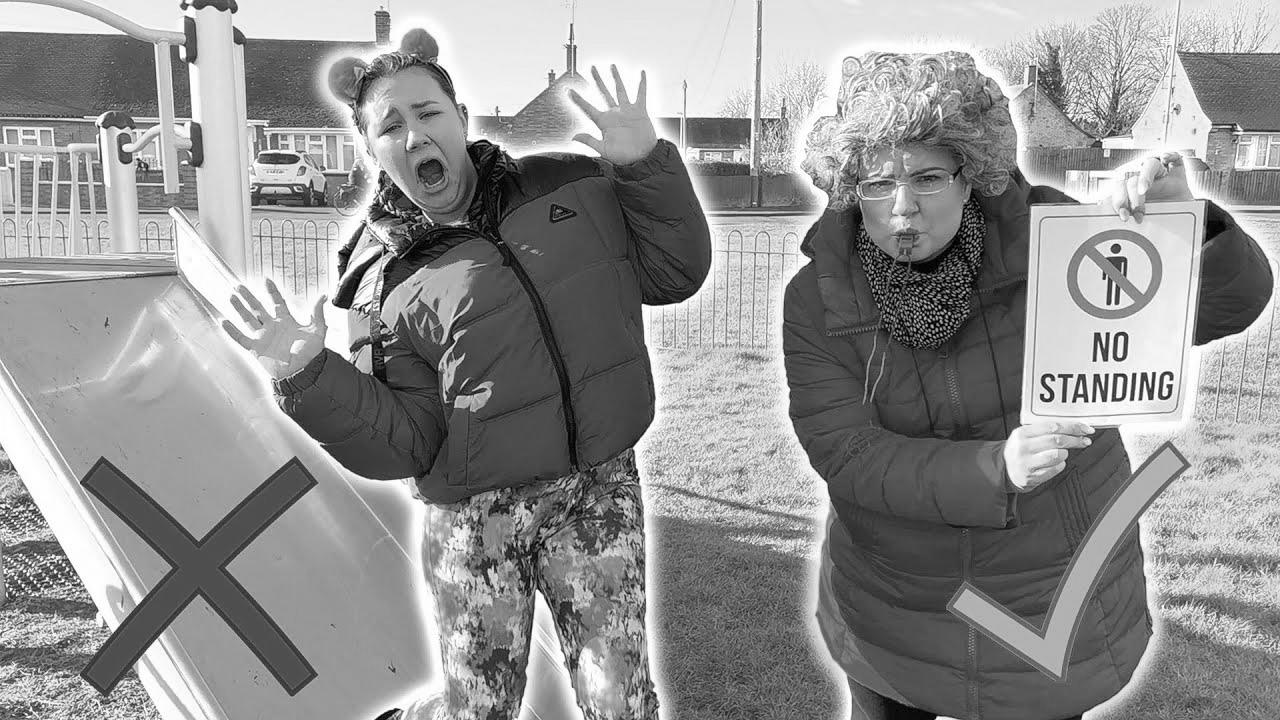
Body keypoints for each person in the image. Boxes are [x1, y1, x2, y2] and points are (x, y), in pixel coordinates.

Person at [221, 28, 711, 720]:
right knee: (478, 712)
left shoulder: (570, 184)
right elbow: (405, 443)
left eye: (428, 112)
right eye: (391, 125)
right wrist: (309, 375)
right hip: (475, 521)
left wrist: (643, 166)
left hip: (597, 491)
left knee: (622, 704)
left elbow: (674, 272)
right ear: (372, 151)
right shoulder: (379, 278)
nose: (414, 132)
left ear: (460, 118)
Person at [783, 51, 1272, 720]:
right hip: (894, 606)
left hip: (1051, 587)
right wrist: (996, 468)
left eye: (928, 177)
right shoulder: (819, 298)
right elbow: (846, 452)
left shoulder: (1053, 238)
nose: (903, 210)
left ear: (970, 175)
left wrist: (1185, 230)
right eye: (876, 182)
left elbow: (1221, 307)